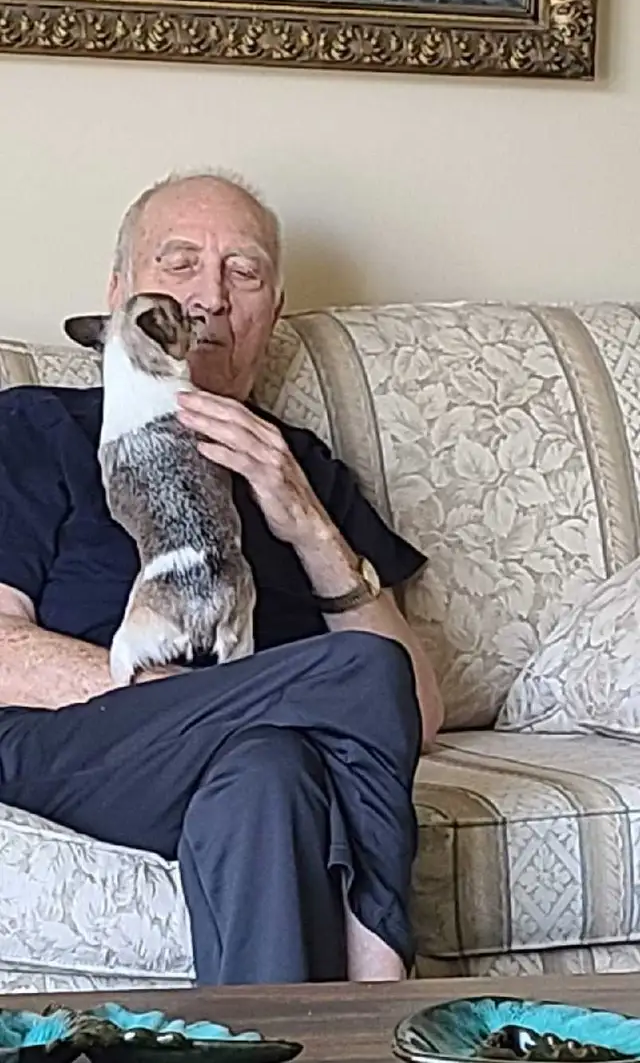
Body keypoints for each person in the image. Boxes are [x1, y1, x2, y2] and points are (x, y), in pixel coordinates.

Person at [0, 172, 443, 986]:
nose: (209, 296)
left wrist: (310, 525)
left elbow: (416, 708)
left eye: (244, 272)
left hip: (255, 753)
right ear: (118, 292)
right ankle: (382, 979)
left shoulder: (301, 465)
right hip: (73, 741)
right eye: (179, 263)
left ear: (273, 313)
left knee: (270, 773)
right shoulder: (36, 424)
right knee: (358, 669)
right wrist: (180, 699)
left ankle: (290, 1037)